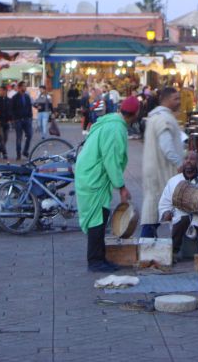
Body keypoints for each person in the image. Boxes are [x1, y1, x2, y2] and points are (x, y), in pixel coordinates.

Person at [75, 96, 139, 272]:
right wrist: (121, 187)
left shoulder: (111, 121)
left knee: (100, 215)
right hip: (93, 177)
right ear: (135, 114)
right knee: (98, 218)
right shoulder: (116, 127)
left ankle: (100, 257)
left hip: (90, 174)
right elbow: (111, 159)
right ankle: (95, 261)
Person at [141, 87, 184, 238]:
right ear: (166, 100)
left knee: (155, 209)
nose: (178, 102)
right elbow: (167, 147)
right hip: (161, 172)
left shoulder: (157, 117)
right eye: (175, 99)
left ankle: (150, 246)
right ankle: (146, 245)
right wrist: (179, 163)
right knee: (154, 210)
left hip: (156, 171)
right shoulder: (163, 119)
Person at [159, 151, 198, 258]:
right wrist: (166, 213)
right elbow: (165, 203)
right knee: (182, 219)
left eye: (192, 159)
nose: (188, 161)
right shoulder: (174, 181)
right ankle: (173, 253)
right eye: (186, 158)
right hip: (179, 217)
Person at [11, 81, 33, 160]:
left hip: (27, 119)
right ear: (19, 87)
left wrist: (30, 117)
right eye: (23, 86)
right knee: (19, 138)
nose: (25, 87)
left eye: (25, 86)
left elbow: (29, 107)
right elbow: (12, 109)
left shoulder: (27, 97)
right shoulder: (14, 97)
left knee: (29, 135)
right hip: (18, 120)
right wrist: (14, 119)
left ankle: (25, 151)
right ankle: (18, 153)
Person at [0, 85, 12, 159]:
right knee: (1, 137)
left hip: (7, 121)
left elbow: (11, 111)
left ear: (5, 91)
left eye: (0, 90)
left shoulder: (9, 100)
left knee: (5, 138)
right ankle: (4, 153)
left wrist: (11, 118)